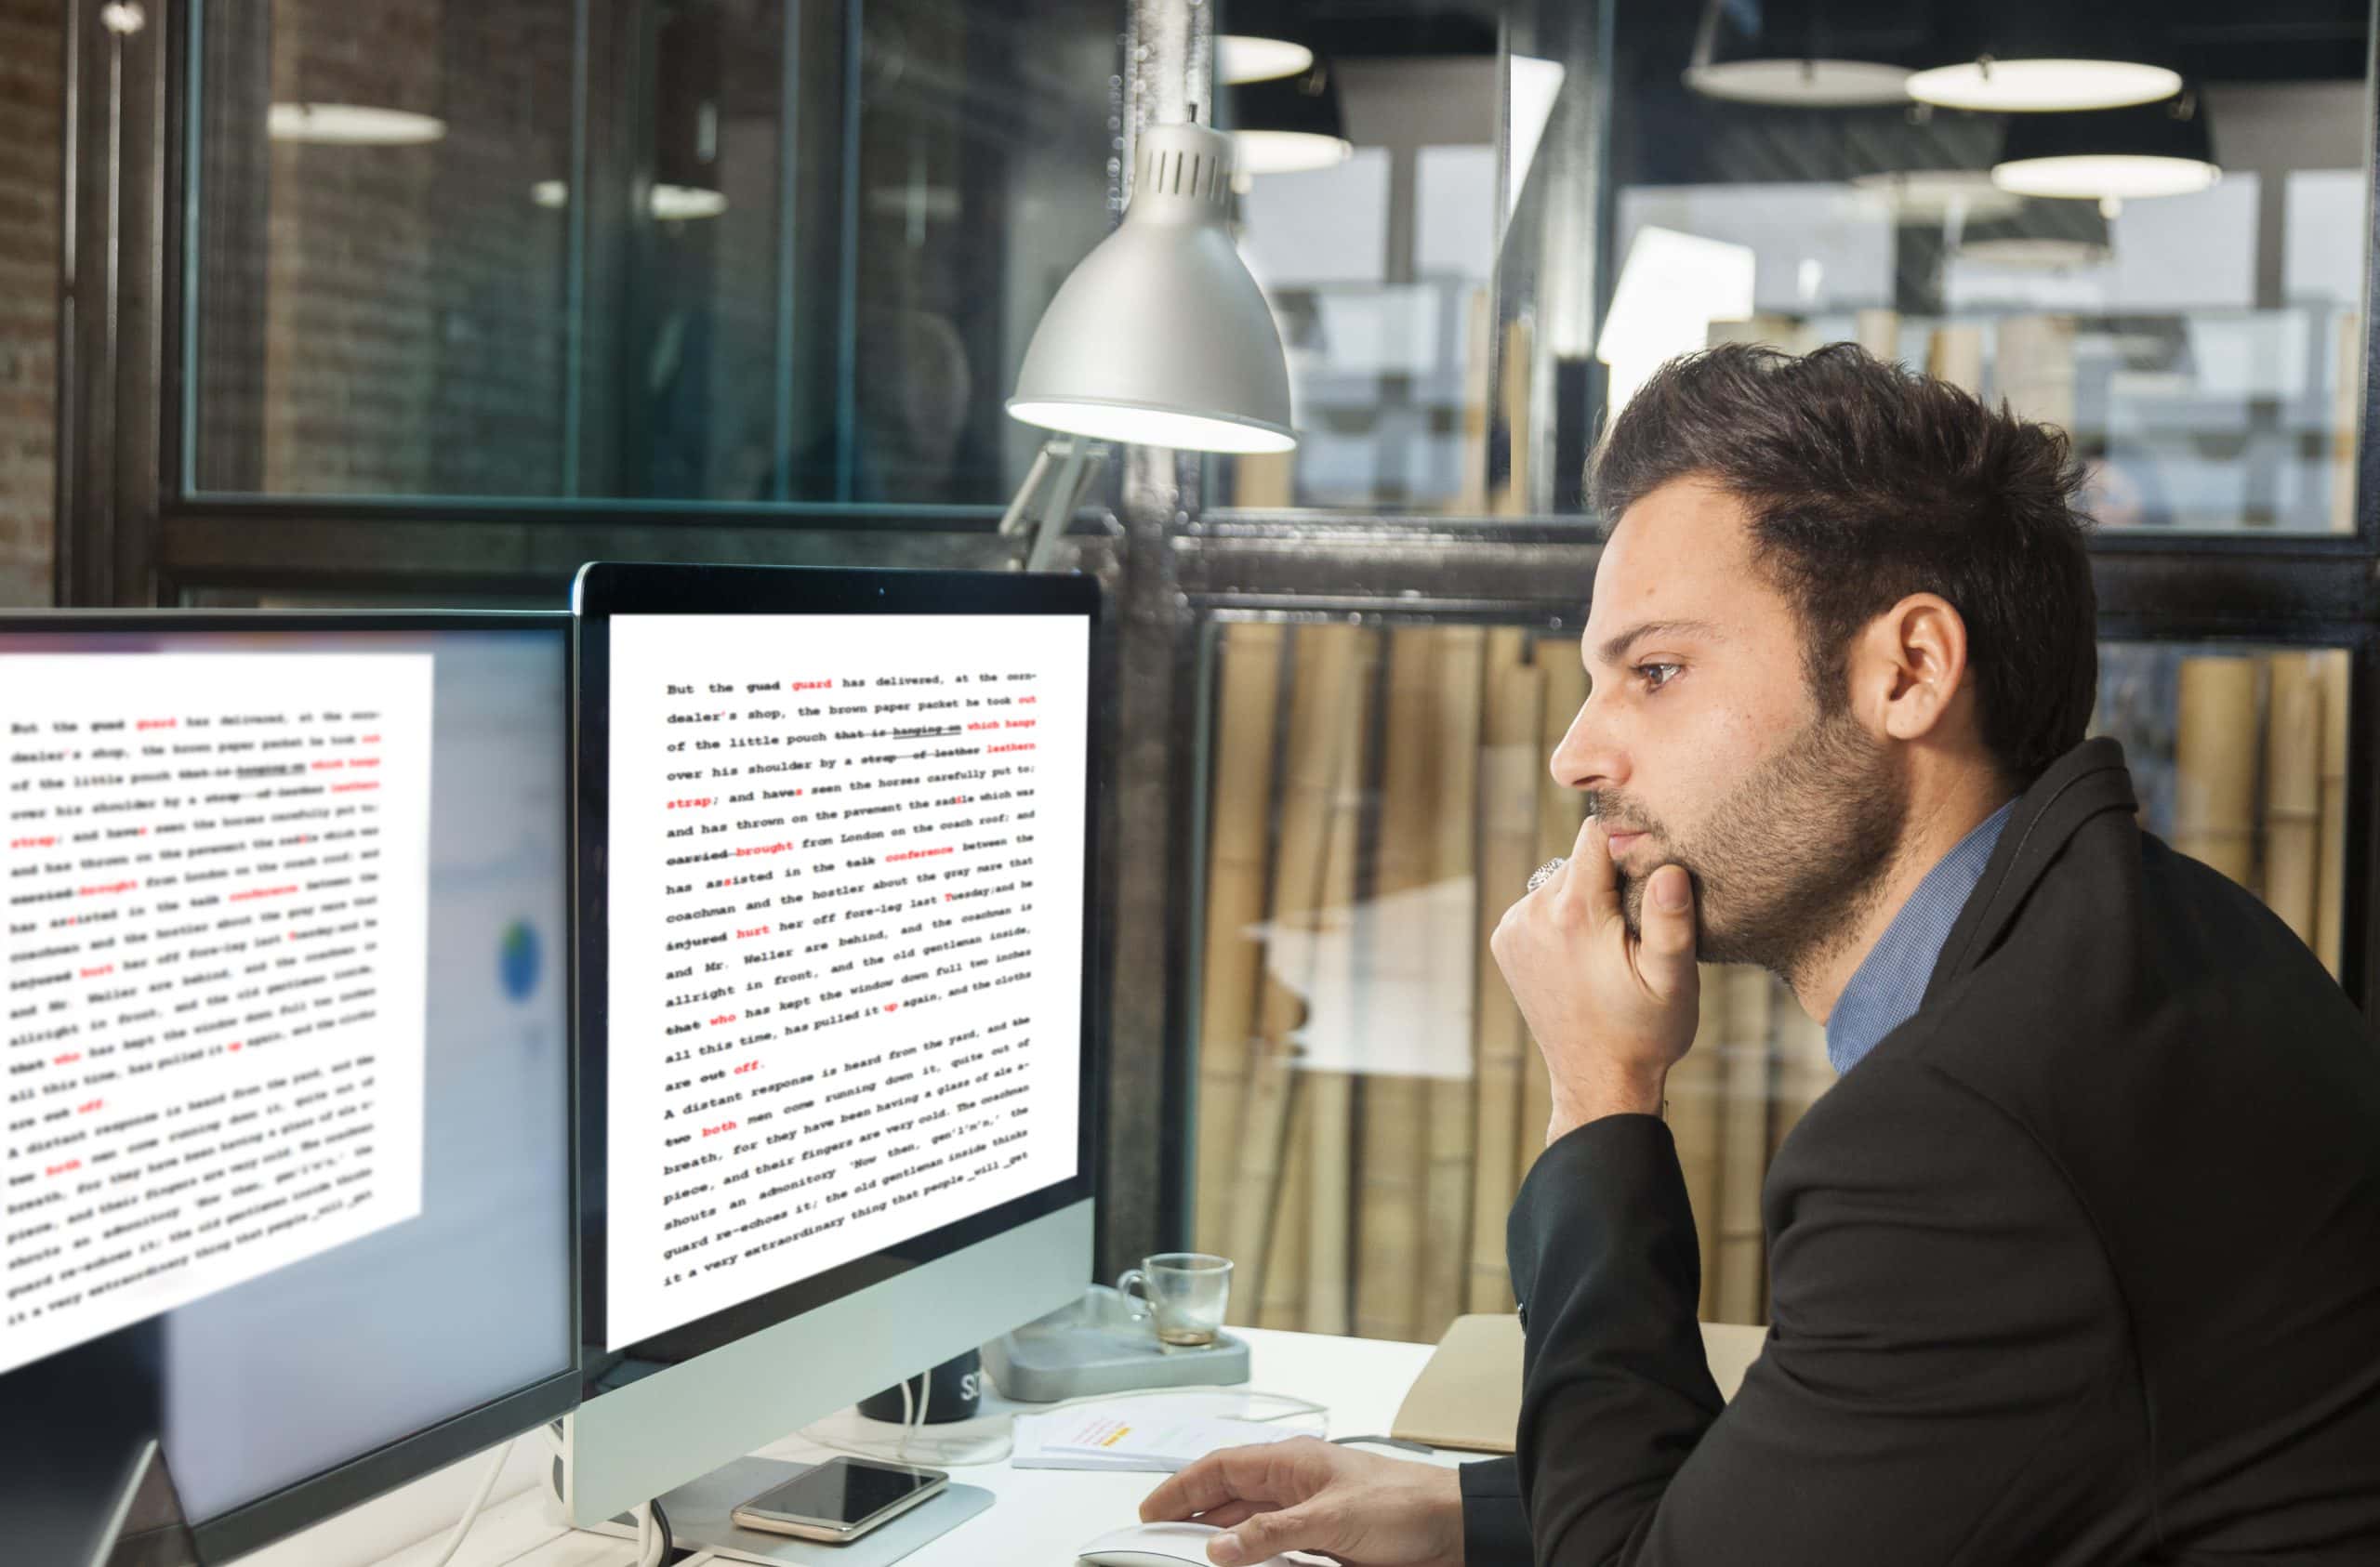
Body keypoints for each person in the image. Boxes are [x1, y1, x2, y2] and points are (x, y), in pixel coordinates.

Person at [1141, 343, 2380, 1564]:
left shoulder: (1973, 1131)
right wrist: (1473, 1509)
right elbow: (1899, 1467)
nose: (1577, 754)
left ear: (1909, 670)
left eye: (1657, 672)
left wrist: (1599, 1099)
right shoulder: (2154, 936)